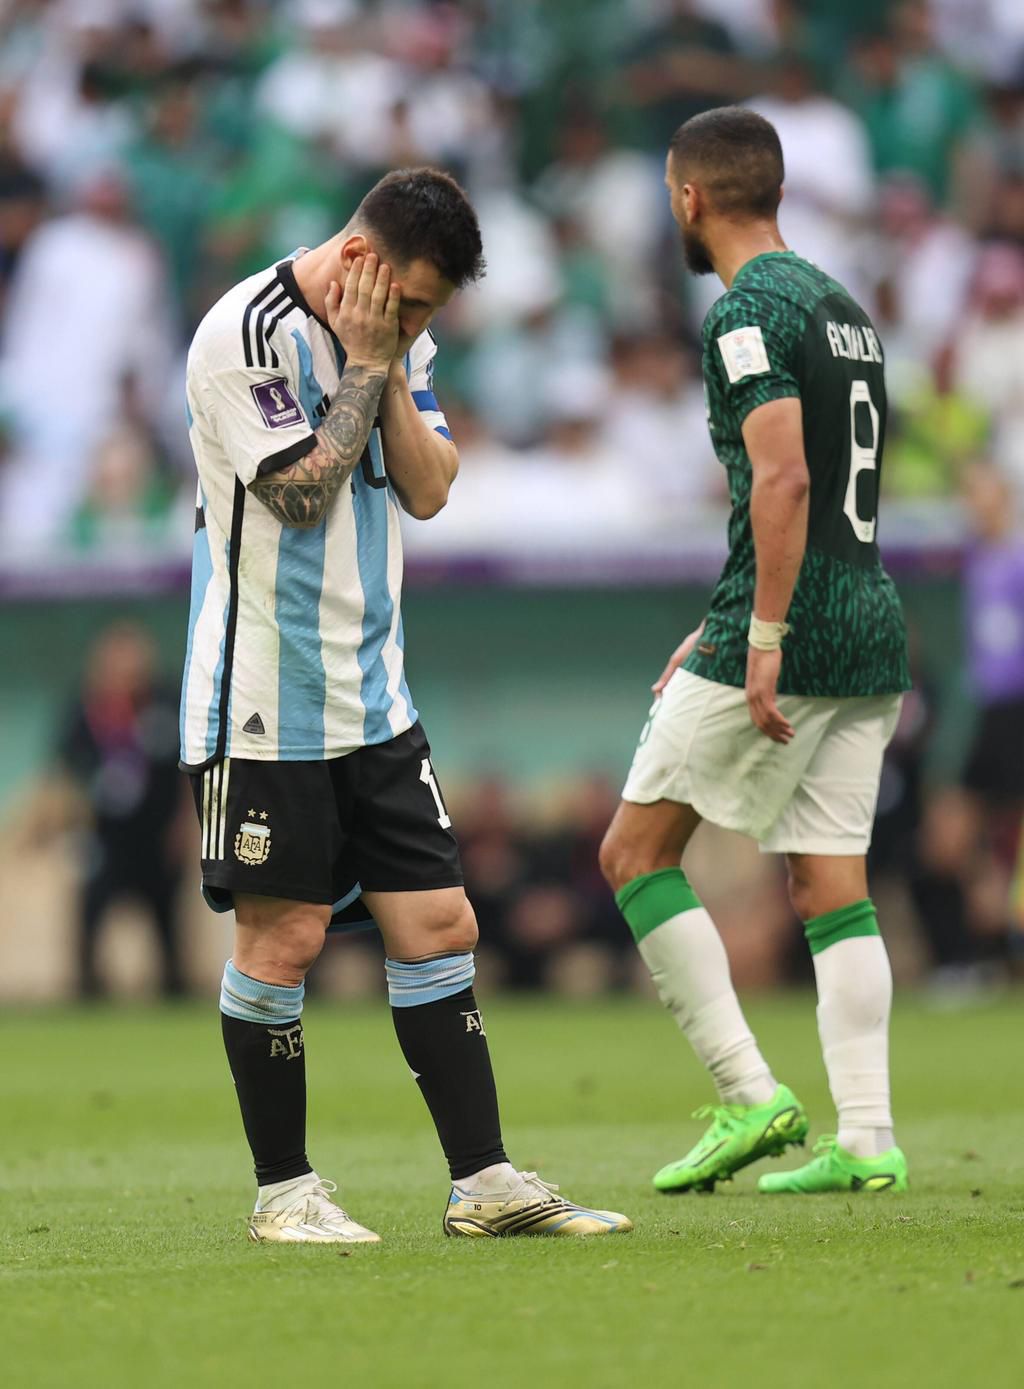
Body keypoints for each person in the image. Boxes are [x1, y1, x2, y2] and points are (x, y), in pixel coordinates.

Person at [180, 167, 631, 1243]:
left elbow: (428, 488)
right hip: (265, 701)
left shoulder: (397, 339)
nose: (422, 324)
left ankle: (482, 1183)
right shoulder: (241, 334)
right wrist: (370, 366)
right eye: (414, 302)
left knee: (439, 924)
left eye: (431, 311)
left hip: (373, 694)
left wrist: (386, 364)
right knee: (282, 939)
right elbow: (299, 492)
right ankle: (283, 1192)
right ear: (361, 263)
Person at [599, 108, 911, 1196]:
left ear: (689, 198)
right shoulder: (842, 308)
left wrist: (759, 631)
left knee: (633, 856)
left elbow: (782, 476)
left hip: (785, 627)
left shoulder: (742, 312)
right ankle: (866, 1142)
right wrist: (732, 607)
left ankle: (747, 1093)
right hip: (869, 614)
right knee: (832, 886)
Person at [58, 622, 187, 999]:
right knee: (90, 916)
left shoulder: (166, 702)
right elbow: (66, 774)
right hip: (104, 839)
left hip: (157, 838)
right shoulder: (85, 708)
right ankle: (88, 990)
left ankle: (173, 989)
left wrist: (185, 828)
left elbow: (186, 773)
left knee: (167, 924)